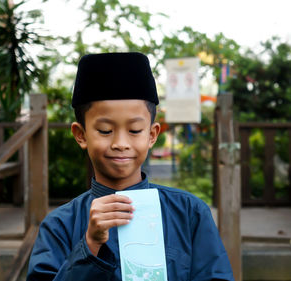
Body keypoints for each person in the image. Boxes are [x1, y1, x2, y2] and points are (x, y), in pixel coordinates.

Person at [27, 52, 234, 281]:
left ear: (152, 134)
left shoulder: (189, 213)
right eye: (105, 131)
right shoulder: (59, 226)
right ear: (81, 135)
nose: (120, 144)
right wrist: (90, 244)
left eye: (135, 130)